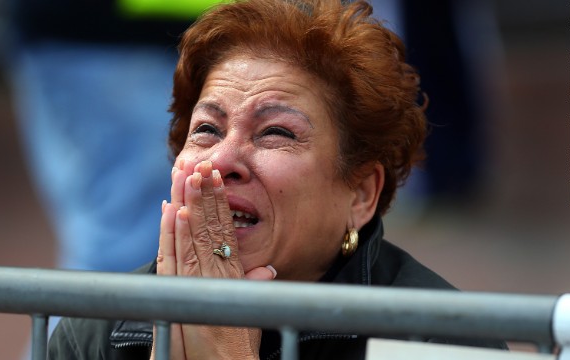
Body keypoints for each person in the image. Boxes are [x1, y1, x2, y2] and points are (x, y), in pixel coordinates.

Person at [47, 0, 507, 359]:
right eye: (207, 129)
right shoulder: (98, 330)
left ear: (361, 194)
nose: (223, 160)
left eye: (275, 133)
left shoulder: (442, 342)